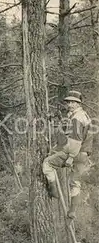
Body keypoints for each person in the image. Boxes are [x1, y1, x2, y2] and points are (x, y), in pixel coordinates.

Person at [43, 90, 93, 219]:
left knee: (47, 164)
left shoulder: (77, 118)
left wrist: (70, 157)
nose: (69, 104)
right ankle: (72, 211)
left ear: (78, 103)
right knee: (75, 182)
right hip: (84, 154)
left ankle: (54, 192)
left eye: (72, 102)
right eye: (68, 102)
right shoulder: (83, 115)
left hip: (75, 152)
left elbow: (75, 140)